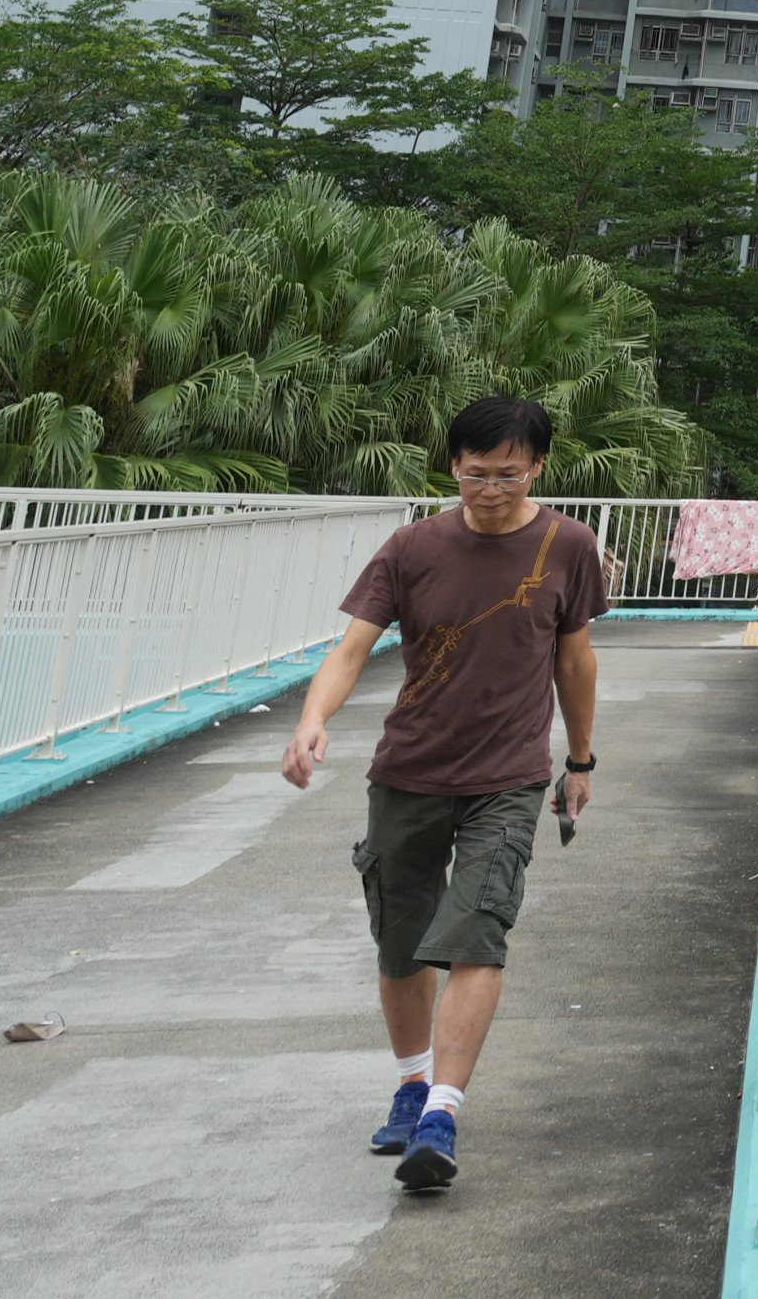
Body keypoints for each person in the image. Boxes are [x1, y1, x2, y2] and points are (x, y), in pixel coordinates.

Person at [280, 393, 609, 1196]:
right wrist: (310, 721)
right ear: (451, 465)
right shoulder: (412, 547)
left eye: (506, 473)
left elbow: (576, 660)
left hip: (509, 776)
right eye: (473, 472)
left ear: (536, 467)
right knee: (400, 945)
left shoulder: (567, 545)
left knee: (476, 934)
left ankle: (443, 1114)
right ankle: (409, 1083)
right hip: (409, 771)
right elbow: (351, 647)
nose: (489, 488)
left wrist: (581, 761)